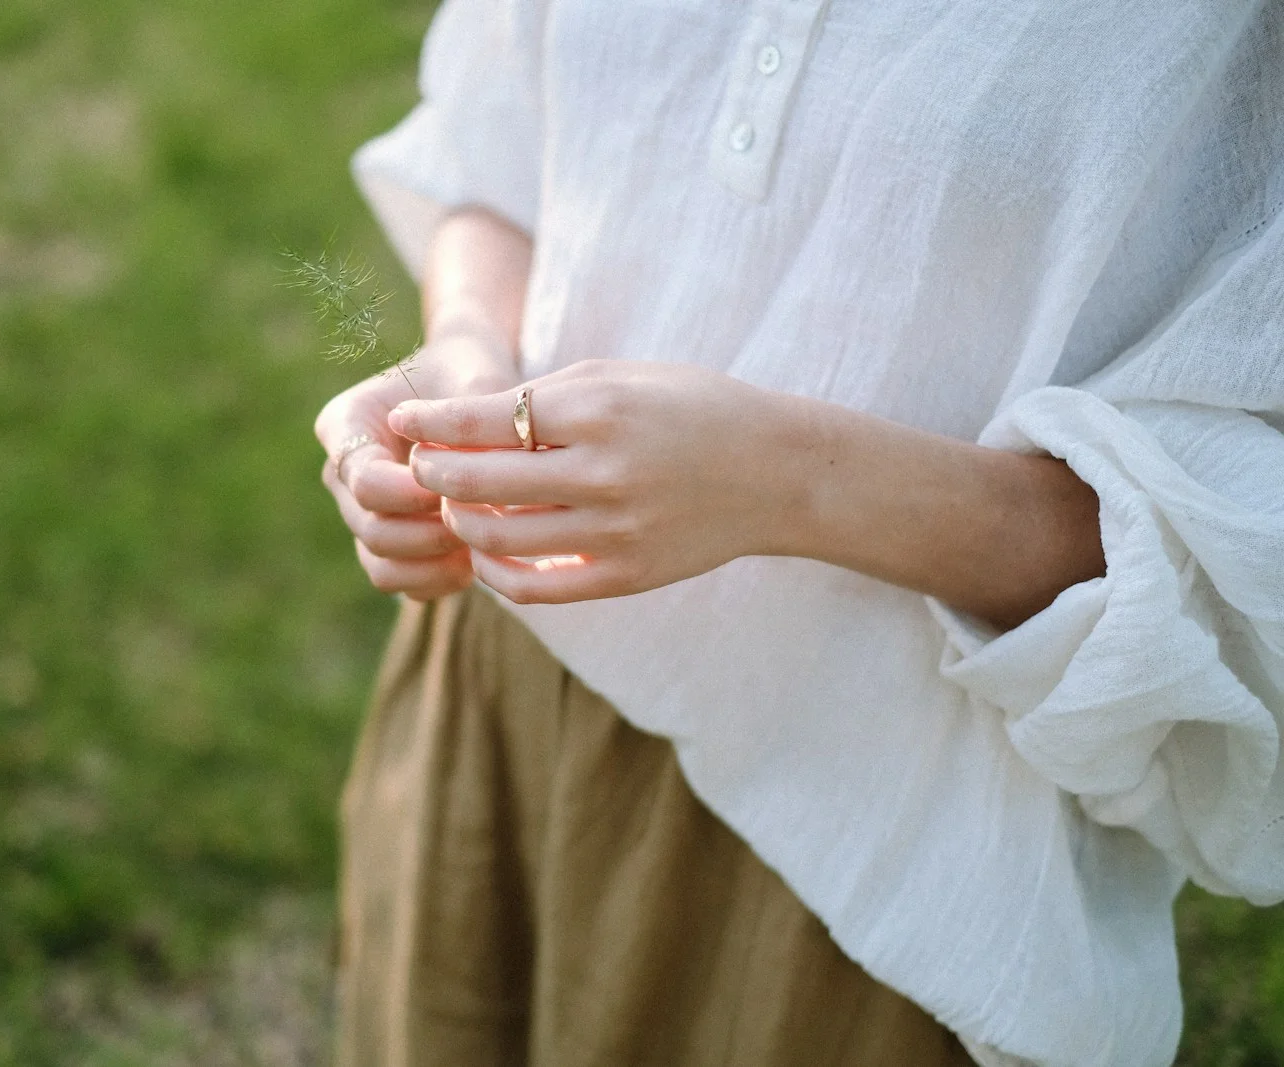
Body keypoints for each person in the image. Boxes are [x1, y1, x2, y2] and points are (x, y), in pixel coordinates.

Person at [312, 3, 1284, 1065]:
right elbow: (504, 140)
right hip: (509, 679)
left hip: (879, 851)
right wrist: (465, 363)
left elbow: (1241, 540)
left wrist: (784, 479)